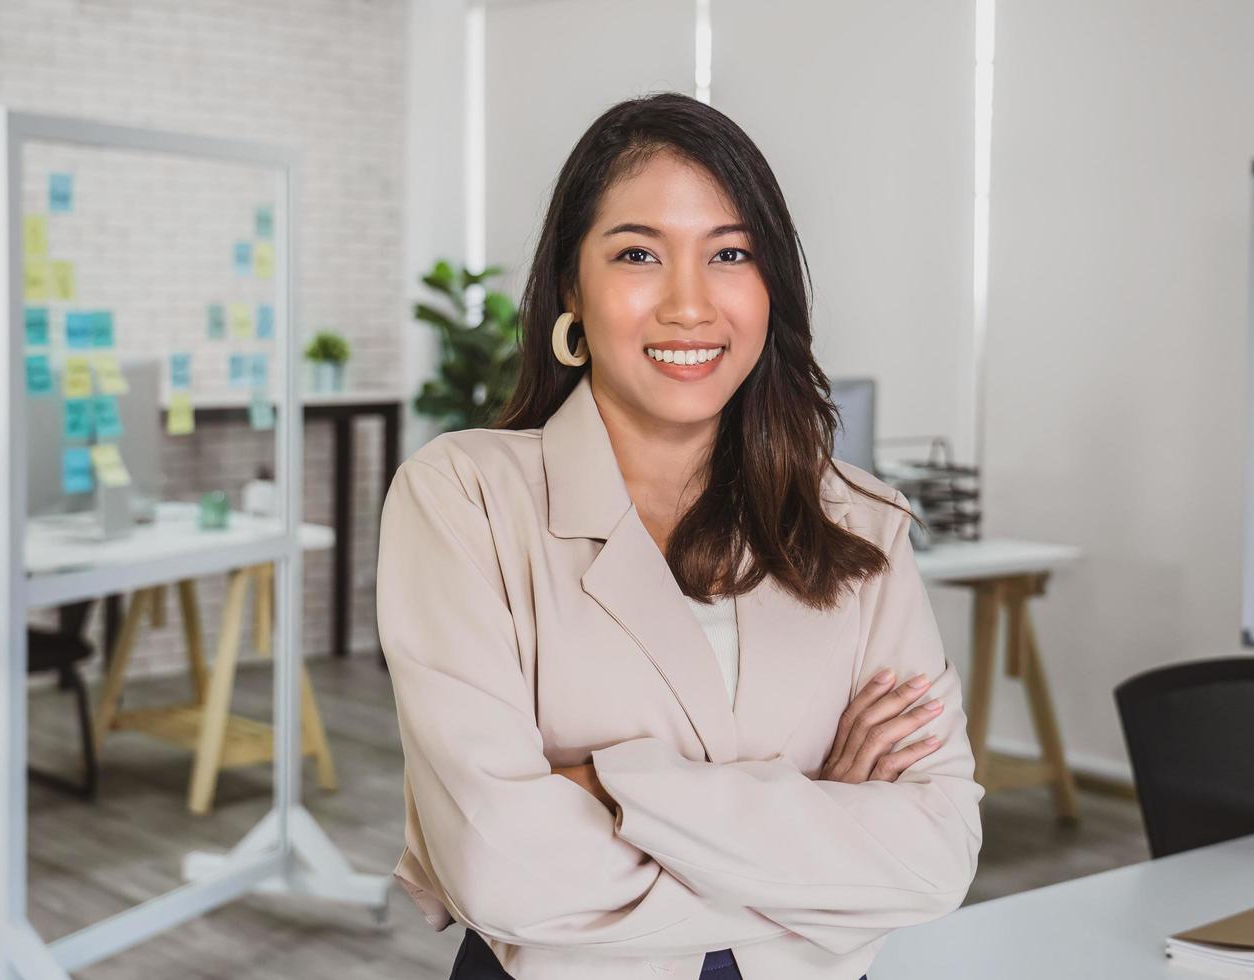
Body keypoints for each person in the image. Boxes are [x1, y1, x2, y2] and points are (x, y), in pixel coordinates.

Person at [377, 92, 984, 980]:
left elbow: (932, 858)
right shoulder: (464, 496)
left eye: (729, 253)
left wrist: (608, 789)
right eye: (637, 254)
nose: (689, 305)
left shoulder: (859, 522)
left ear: (770, 285)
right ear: (570, 292)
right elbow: (500, 869)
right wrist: (821, 817)